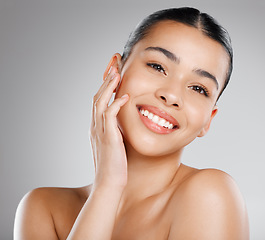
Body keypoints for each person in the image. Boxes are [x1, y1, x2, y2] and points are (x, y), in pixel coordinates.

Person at [14, 7, 249, 240]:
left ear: (209, 119)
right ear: (113, 71)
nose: (172, 96)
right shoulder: (43, 209)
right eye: (158, 67)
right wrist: (107, 187)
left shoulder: (210, 196)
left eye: (198, 88)